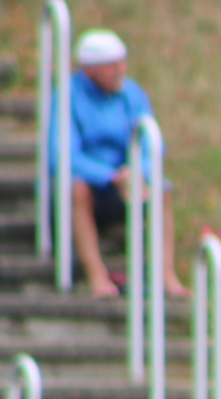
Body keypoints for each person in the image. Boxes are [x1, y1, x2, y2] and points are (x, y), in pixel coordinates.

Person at [56, 30, 188, 299]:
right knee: (78, 191)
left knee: (162, 191)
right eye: (111, 66)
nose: (120, 71)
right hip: (92, 183)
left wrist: (138, 173)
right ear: (89, 70)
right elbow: (62, 155)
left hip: (127, 181)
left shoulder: (132, 94)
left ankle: (166, 274)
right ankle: (97, 275)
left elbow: (152, 145)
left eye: (122, 63)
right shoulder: (68, 97)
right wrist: (109, 176)